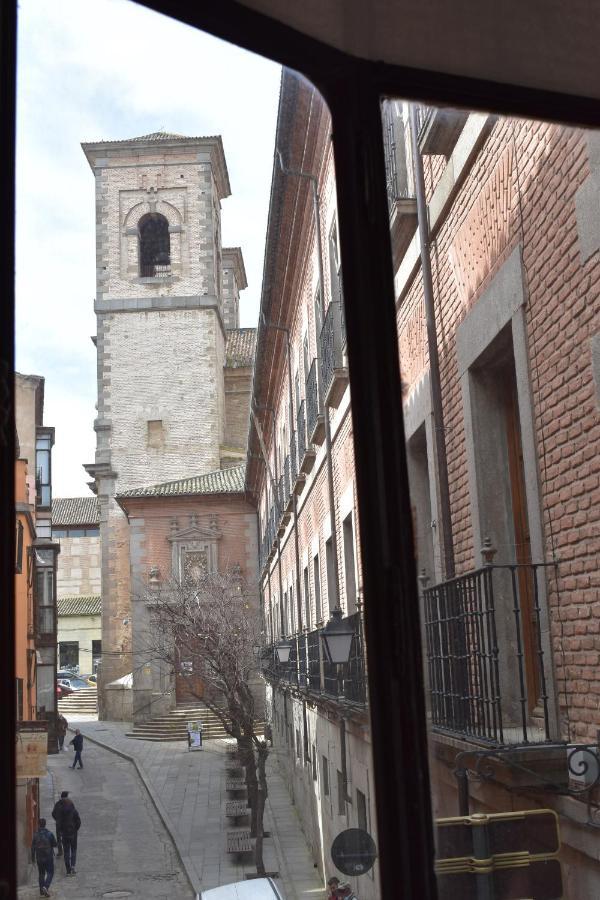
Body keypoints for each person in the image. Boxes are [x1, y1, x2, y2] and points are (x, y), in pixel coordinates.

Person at [54, 794, 81, 875]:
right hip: (73, 834)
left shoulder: (61, 812)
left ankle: (68, 870)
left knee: (66, 852)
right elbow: (78, 822)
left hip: (65, 834)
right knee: (73, 850)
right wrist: (75, 829)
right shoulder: (74, 810)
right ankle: (73, 866)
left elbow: (58, 823)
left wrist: (61, 831)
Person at [31, 817, 57, 897]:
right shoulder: (49, 834)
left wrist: (33, 859)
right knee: (50, 872)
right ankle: (46, 886)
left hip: (39, 857)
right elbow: (55, 844)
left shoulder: (35, 835)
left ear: (38, 824)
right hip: (48, 856)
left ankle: (41, 892)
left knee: (41, 874)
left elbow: (32, 848)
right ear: (45, 824)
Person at [51, 790, 71, 857]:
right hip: (66, 825)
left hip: (59, 824)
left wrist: (57, 819)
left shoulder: (57, 804)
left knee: (59, 838)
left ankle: (60, 851)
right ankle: (66, 850)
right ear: (65, 797)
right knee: (66, 837)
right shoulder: (69, 804)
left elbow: (53, 813)